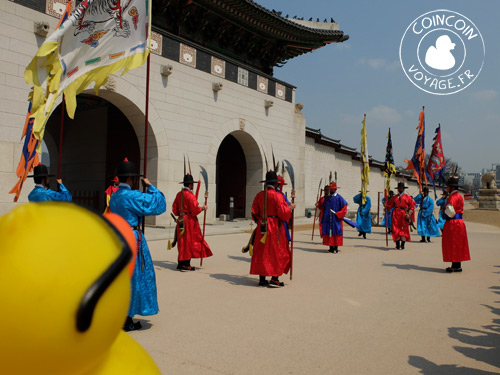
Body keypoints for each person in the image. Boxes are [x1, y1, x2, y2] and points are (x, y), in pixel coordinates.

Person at [109, 158, 166, 331]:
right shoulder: (132, 196)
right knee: (135, 276)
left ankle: (119, 312)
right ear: (131, 179)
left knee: (120, 276)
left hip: (117, 236)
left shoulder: (114, 196)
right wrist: (150, 186)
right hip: (132, 238)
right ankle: (127, 316)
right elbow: (158, 204)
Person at [250, 171, 294, 287]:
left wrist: (260, 221)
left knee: (262, 251)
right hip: (275, 227)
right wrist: (290, 208)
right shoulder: (278, 196)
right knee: (277, 251)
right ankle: (275, 278)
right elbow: (283, 213)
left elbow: (254, 213)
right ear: (275, 184)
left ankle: (262, 278)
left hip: (262, 226)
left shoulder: (259, 195)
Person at [172, 174, 213, 271]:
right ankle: (186, 264)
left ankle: (181, 262)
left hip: (181, 219)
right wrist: (203, 208)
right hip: (189, 221)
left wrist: (181, 214)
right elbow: (195, 210)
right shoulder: (190, 196)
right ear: (191, 185)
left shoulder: (179, 194)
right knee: (188, 241)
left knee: (182, 242)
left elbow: (174, 209)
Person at [441, 176, 470, 272]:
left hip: (453, 223)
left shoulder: (453, 197)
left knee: (452, 243)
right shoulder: (459, 196)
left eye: (447, 187)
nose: (446, 188)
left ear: (451, 187)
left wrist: (443, 213)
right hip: (459, 222)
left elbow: (450, 210)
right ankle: (457, 264)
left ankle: (454, 265)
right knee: (458, 243)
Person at [318, 182, 347, 253]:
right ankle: (330, 247)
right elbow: (323, 207)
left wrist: (339, 214)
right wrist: (319, 206)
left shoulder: (339, 198)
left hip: (336, 219)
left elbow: (344, 207)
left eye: (332, 189)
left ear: (335, 189)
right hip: (327, 218)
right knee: (329, 232)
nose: (331, 191)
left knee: (336, 232)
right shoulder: (327, 198)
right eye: (330, 189)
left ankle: (335, 247)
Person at [386, 182, 415, 250]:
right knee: (395, 229)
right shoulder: (394, 197)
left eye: (401, 188)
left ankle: (402, 244)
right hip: (395, 214)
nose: (400, 189)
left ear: (403, 189)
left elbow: (412, 207)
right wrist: (386, 205)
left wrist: (408, 214)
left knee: (403, 229)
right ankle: (397, 245)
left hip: (403, 214)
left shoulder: (407, 197)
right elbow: (389, 205)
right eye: (399, 188)